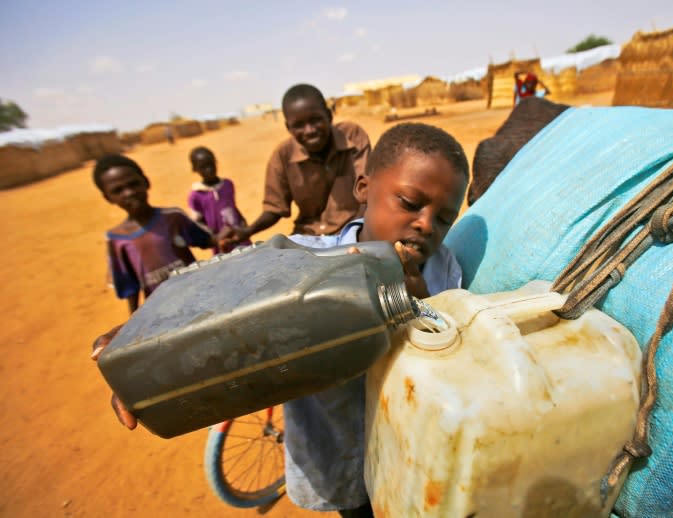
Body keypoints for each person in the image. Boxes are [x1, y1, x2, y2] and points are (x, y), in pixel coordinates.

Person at [91, 122, 469, 517]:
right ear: (363, 189)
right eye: (409, 203)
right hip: (339, 453)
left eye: (444, 219)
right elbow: (218, 293)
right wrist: (150, 337)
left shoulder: (444, 272)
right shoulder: (300, 261)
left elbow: (460, 355)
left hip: (408, 454)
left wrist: (423, 302)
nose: (426, 225)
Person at [231, 83, 371, 239]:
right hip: (308, 236)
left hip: (353, 230)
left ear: (329, 115)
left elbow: (368, 191)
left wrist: (357, 232)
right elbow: (274, 208)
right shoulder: (282, 157)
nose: (309, 130)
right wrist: (248, 231)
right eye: (299, 125)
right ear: (288, 127)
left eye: (316, 120)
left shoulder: (352, 136)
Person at [93, 154, 221, 314]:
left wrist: (232, 234)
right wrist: (134, 321)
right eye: (118, 190)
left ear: (146, 182)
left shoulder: (173, 217)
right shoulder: (116, 240)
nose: (129, 193)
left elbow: (207, 240)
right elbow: (130, 289)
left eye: (133, 184)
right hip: (161, 313)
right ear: (108, 197)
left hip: (200, 299)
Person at [187, 146, 250, 254]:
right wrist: (216, 237)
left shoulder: (227, 184)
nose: (209, 169)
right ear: (195, 169)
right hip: (221, 245)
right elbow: (197, 223)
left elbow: (232, 207)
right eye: (203, 167)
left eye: (211, 164)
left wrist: (242, 221)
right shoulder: (196, 195)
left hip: (239, 238)